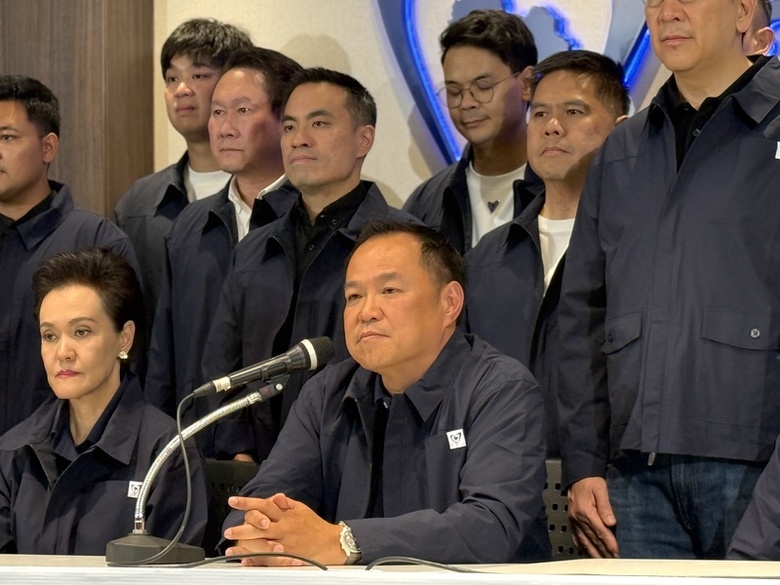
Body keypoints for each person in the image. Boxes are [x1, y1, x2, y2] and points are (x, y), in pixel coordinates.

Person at [557, 0, 780, 559]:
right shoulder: (622, 148)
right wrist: (583, 462)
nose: (667, 12)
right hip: (632, 474)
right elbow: (583, 312)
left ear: (743, 13)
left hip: (756, 464)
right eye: (655, 0)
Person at [220, 221, 549, 566]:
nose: (367, 312)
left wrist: (346, 541)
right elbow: (263, 500)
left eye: (389, 291)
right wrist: (260, 536)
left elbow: (490, 526)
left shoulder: (501, 390)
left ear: (449, 303)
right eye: (354, 297)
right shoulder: (326, 394)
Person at [203, 68, 418, 462]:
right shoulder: (255, 249)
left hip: (367, 465)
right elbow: (222, 364)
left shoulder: (407, 245)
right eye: (289, 126)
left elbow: (422, 366)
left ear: (363, 139)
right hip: (257, 471)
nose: (299, 139)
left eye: (319, 123)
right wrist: (238, 452)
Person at [464, 50, 629, 457]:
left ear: (621, 131)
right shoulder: (487, 258)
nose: (552, 127)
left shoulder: (640, 249)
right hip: (502, 476)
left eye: (574, 111)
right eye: (539, 114)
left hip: (616, 475)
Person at [0, 248, 207, 555]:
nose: (63, 352)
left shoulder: (167, 453)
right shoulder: (14, 451)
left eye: (81, 332)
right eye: (50, 336)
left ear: (124, 337)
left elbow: (172, 571)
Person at [145, 47, 302, 433]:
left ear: (285, 120)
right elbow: (164, 354)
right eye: (217, 112)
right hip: (196, 439)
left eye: (243, 110)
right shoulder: (190, 224)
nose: (225, 127)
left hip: (287, 443)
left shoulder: (308, 220)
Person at [0, 75, 137, 436]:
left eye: (7, 137)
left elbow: (132, 365)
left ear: (48, 147)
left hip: (64, 452)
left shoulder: (97, 241)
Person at [113, 18, 252, 344]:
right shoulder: (139, 203)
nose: (182, 89)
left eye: (198, 76)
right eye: (172, 78)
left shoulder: (268, 193)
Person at [403, 9, 540, 254]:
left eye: (483, 86)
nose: (466, 103)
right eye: (454, 91)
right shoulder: (426, 202)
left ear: (526, 84)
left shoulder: (565, 187)